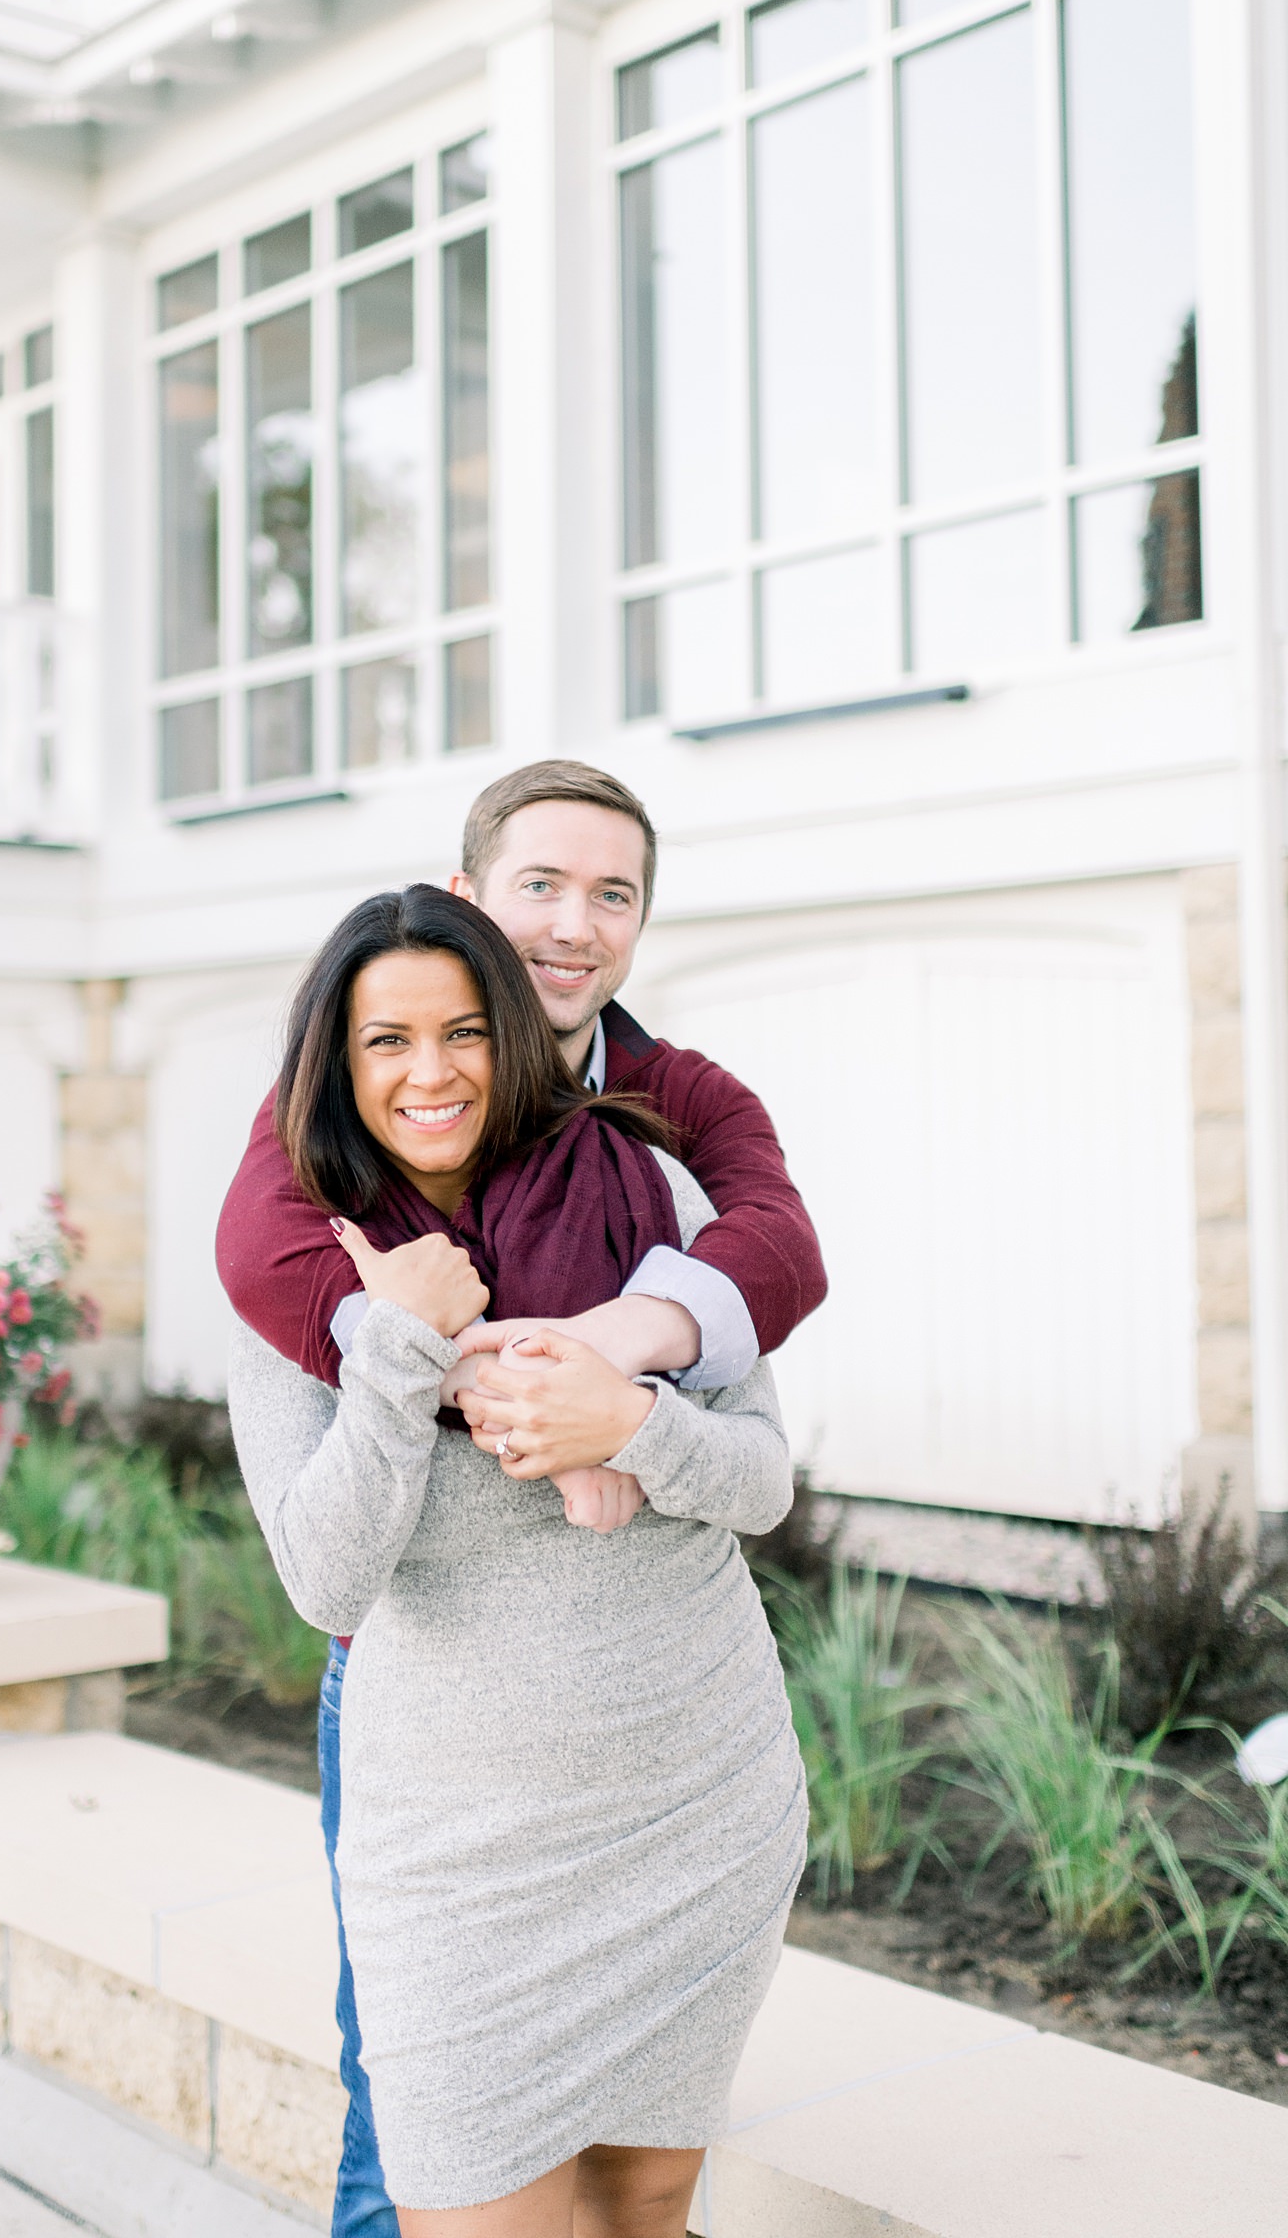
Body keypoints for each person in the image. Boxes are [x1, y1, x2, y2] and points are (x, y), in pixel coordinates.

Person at [216, 760, 826, 2238]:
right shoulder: (310, 1237)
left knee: (644, 2214)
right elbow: (325, 1578)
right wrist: (405, 1347)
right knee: (419, 2171)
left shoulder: (660, 1161)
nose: (431, 1067)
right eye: (391, 1040)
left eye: (611, 891)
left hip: (696, 1803)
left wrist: (627, 1416)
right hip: (460, 1836)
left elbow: (762, 1469)